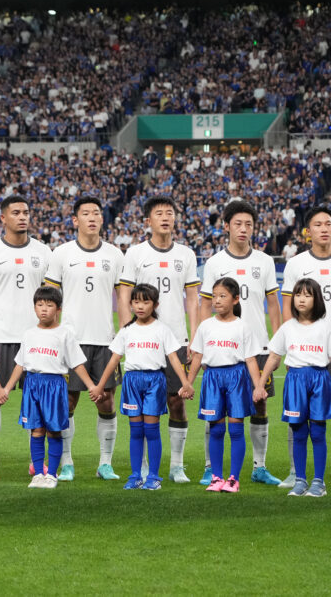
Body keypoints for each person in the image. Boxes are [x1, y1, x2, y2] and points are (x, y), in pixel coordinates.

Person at [198, 199, 282, 487]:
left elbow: (273, 303)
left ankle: (259, 466)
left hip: (256, 348)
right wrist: (201, 340)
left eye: (248, 224)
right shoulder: (214, 263)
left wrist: (277, 342)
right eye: (238, 224)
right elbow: (205, 304)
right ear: (226, 227)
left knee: (259, 406)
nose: (244, 229)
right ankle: (212, 468)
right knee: (216, 410)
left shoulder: (265, 261)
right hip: (221, 349)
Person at [118, 196, 200, 484]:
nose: (165, 217)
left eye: (169, 213)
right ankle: (140, 468)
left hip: (176, 339)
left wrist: (193, 337)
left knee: (177, 402)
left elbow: (192, 300)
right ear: (147, 221)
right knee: (140, 409)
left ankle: (176, 466)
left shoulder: (187, 255)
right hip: (143, 341)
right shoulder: (135, 254)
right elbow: (125, 296)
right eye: (158, 213)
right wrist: (126, 331)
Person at [280, 206, 331, 491]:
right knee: (299, 414)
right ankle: (296, 472)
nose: (325, 228)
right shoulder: (295, 264)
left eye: (329, 223)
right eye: (318, 224)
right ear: (308, 231)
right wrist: (292, 348)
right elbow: (289, 307)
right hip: (305, 352)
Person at [43, 196, 124, 481]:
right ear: (75, 220)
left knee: (106, 401)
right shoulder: (61, 254)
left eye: (97, 213)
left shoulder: (115, 255)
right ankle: (66, 462)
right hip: (69, 341)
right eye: (86, 213)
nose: (92, 218)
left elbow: (123, 299)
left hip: (104, 340)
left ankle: (105, 463)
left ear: (103, 219)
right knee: (67, 402)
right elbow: (50, 300)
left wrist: (125, 335)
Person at [0, 195, 51, 479]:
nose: (22, 217)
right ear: (3, 218)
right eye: (16, 212)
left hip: (35, 339)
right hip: (0, 336)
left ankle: (36, 461)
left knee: (38, 401)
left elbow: (52, 298)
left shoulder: (43, 252)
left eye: (26, 212)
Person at [94, 283, 194, 491]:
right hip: (132, 381)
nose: (140, 306)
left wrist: (185, 383)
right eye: (136, 301)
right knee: (136, 430)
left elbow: (174, 359)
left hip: (154, 381)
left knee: (151, 429)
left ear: (155, 304)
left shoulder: (162, 330)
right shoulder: (126, 331)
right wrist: (100, 386)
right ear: (130, 304)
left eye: (145, 302)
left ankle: (154, 477)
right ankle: (136, 475)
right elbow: (113, 361)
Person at [0, 286, 97, 489]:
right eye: (39, 305)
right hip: (32, 384)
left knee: (53, 431)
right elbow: (20, 364)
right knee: (36, 430)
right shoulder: (28, 334)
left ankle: (52, 474)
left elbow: (77, 363)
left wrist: (91, 386)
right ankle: (38, 474)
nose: (44, 309)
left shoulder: (64, 334)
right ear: (34, 307)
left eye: (49, 305)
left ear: (58, 309)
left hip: (54, 385)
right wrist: (7, 388)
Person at [258, 279, 331, 498]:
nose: (301, 299)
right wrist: (260, 384)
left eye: (307, 295)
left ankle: (319, 482)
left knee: (318, 432)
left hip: (319, 379)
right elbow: (274, 357)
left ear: (317, 299)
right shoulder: (287, 327)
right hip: (295, 380)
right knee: (298, 432)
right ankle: (300, 480)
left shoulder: (325, 327)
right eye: (298, 294)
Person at [184, 278, 263, 493]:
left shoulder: (243, 326)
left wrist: (258, 386)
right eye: (214, 296)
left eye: (223, 296)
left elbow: (251, 360)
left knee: (236, 429)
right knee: (216, 429)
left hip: (237, 377)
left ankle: (233, 479)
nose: (216, 301)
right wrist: (188, 383)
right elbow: (198, 356)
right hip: (212, 378)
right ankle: (216, 477)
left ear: (236, 299)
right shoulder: (206, 326)